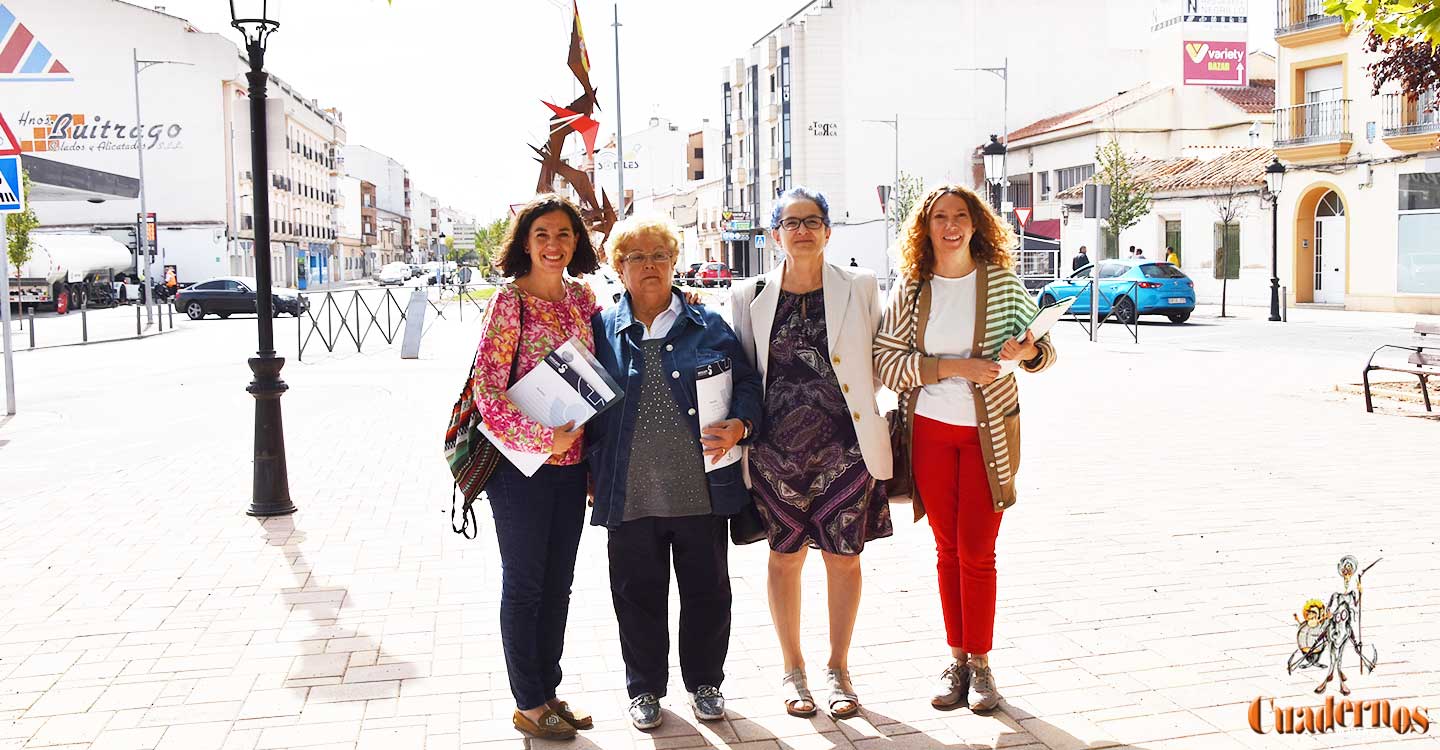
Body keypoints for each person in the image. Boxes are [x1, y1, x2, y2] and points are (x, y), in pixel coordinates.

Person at [873, 184, 1057, 713]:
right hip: (929, 430)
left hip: (989, 435)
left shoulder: (1000, 283)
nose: (950, 225)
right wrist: (954, 368)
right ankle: (956, 656)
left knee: (977, 551)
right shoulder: (911, 286)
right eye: (939, 218)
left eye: (960, 216)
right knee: (946, 549)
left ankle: (980, 664)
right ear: (925, 228)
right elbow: (887, 362)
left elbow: (1043, 352)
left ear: (976, 225)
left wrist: (1028, 350)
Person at [588, 214, 764, 730]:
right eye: (636, 257)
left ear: (673, 262)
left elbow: (748, 384)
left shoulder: (708, 326)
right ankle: (644, 689)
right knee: (636, 595)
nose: (649, 265)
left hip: (702, 490)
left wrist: (740, 425)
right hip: (629, 493)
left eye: (659, 255)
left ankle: (706, 682)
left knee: (707, 591)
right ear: (618, 268)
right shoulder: (599, 329)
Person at [729, 187, 893, 720]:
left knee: (845, 560)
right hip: (775, 454)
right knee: (784, 560)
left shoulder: (861, 286)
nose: (802, 230)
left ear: (828, 230)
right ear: (775, 234)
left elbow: (883, 357)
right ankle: (792, 669)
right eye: (790, 221)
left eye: (812, 220)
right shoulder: (747, 294)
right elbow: (741, 375)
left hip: (846, 450)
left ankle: (838, 669)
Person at [471, 193, 601, 740]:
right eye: (543, 235)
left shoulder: (583, 298)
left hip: (573, 467)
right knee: (525, 584)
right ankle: (527, 702)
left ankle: (548, 691)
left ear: (577, 242)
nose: (554, 245)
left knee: (559, 584)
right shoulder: (509, 302)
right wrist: (542, 439)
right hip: (520, 467)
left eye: (564, 235)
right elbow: (487, 391)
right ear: (525, 242)